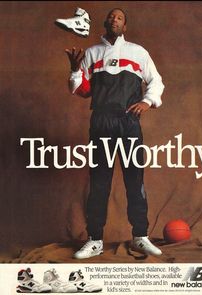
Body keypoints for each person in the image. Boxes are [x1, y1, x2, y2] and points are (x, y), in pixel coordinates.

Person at [65, 8, 165, 259]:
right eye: (111, 16)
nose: (114, 19)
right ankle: (95, 239)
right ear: (105, 23)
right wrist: (75, 70)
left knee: (135, 179)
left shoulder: (138, 52)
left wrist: (148, 101)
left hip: (128, 121)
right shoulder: (91, 53)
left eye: (119, 17)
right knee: (99, 181)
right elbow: (82, 90)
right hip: (101, 121)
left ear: (125, 26)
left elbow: (156, 81)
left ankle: (140, 236)